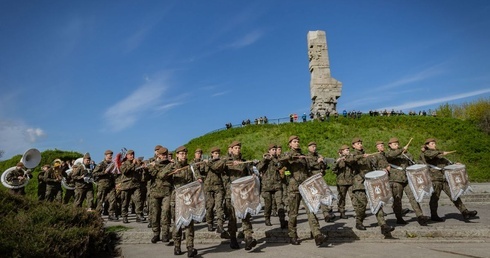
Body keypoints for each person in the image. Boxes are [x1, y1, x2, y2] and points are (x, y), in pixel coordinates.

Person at [279, 136, 326, 246]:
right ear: (290, 144)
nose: (297, 143)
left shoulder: (304, 156)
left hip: (305, 187)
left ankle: (317, 234)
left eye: (298, 141)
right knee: (293, 213)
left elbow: (310, 168)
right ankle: (292, 235)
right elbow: (280, 162)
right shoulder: (287, 155)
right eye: (294, 142)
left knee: (311, 211)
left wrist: (319, 163)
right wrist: (292, 156)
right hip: (294, 188)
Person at [346, 138, 394, 237]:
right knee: (362, 205)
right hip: (359, 183)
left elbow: (375, 165)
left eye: (361, 143)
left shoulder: (368, 155)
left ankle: (383, 225)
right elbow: (349, 160)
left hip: (370, 182)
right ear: (353, 146)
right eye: (357, 143)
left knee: (377, 202)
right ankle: (359, 222)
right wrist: (361, 156)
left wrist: (383, 169)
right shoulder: (352, 155)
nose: (360, 145)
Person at [423, 138, 478, 222]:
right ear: (427, 145)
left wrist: (454, 164)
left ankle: (465, 212)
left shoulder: (438, 153)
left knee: (454, 195)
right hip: (435, 179)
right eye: (432, 143)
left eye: (434, 143)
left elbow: (446, 162)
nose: (434, 145)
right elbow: (431, 155)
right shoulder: (427, 153)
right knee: (435, 198)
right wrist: (441, 152)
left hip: (444, 178)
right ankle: (434, 215)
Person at [164, 146, 201, 257]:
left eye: (185, 154)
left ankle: (190, 247)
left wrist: (199, 179)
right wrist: (170, 170)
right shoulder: (172, 166)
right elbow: (161, 176)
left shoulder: (191, 167)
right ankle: (177, 246)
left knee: (189, 223)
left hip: (188, 199)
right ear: (177, 155)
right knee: (178, 223)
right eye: (181, 154)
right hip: (177, 199)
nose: (183, 156)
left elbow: (198, 177)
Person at [385, 138, 430, 226]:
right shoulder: (389, 153)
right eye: (394, 144)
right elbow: (391, 156)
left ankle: (420, 216)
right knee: (398, 199)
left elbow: (413, 163)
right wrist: (401, 150)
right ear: (390, 145)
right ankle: (399, 218)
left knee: (413, 197)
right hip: (396, 180)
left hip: (406, 179)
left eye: (397, 143)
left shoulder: (405, 154)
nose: (396, 145)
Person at [223, 140, 258, 250]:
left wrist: (252, 174)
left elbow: (249, 173)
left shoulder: (244, 162)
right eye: (235, 148)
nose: (238, 150)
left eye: (239, 148)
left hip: (243, 193)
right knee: (232, 218)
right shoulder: (226, 162)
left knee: (245, 216)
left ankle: (248, 238)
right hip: (231, 194)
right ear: (231, 149)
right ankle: (233, 239)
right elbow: (216, 166)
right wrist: (228, 162)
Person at [256, 144, 287, 229]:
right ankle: (267, 218)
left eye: (275, 149)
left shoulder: (277, 159)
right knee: (268, 204)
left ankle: (282, 220)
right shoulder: (264, 160)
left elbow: (280, 166)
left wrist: (273, 158)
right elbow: (258, 169)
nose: (274, 151)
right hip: (266, 186)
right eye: (272, 149)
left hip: (277, 185)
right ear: (269, 151)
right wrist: (265, 160)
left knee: (280, 203)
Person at [305, 141, 335, 222]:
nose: (314, 148)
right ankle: (315, 216)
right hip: (312, 179)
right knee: (316, 197)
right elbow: (308, 166)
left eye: (315, 146)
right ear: (309, 148)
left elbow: (324, 166)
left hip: (320, 178)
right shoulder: (307, 157)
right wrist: (317, 162)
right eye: (312, 147)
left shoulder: (318, 155)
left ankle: (326, 214)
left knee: (324, 195)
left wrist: (322, 162)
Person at [149, 147, 173, 244]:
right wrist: (149, 168)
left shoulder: (170, 165)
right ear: (158, 155)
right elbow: (148, 177)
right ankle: (156, 233)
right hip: (155, 193)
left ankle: (165, 234)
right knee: (155, 214)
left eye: (165, 155)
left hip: (166, 192)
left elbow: (161, 175)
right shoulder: (153, 164)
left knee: (165, 213)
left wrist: (154, 167)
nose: (164, 156)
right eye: (162, 155)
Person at [202, 147, 226, 233]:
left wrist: (208, 163)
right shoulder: (206, 162)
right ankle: (210, 223)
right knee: (209, 206)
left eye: (218, 153)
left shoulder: (221, 161)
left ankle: (220, 225)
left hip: (218, 186)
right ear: (211, 154)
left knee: (219, 206)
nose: (217, 155)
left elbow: (216, 168)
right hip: (208, 187)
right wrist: (203, 164)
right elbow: (201, 171)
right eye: (215, 153)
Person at [119, 150, 146, 223]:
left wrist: (142, 167)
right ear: (127, 156)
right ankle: (124, 216)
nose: (132, 156)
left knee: (138, 200)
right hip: (126, 185)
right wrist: (133, 164)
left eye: (133, 154)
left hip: (135, 185)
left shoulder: (137, 164)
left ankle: (139, 215)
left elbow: (140, 173)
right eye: (130, 155)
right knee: (125, 202)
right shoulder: (124, 164)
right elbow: (125, 171)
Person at [92, 150, 118, 221]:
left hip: (111, 185)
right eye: (109, 155)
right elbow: (94, 173)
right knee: (100, 200)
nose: (110, 156)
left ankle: (111, 214)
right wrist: (104, 172)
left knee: (113, 199)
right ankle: (98, 215)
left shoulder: (113, 164)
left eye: (111, 155)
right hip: (102, 185)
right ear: (105, 155)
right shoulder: (101, 164)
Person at [332, 145, 354, 219]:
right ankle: (342, 212)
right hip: (341, 182)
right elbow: (333, 169)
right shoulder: (338, 159)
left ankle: (358, 212)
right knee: (342, 197)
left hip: (351, 181)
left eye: (348, 150)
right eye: (346, 150)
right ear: (342, 151)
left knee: (353, 196)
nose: (348, 151)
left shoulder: (351, 158)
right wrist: (338, 161)